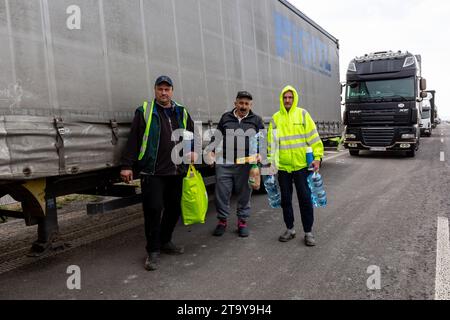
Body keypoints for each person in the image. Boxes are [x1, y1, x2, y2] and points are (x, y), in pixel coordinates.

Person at [120, 76, 198, 271]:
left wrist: (192, 150)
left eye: (167, 89)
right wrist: (127, 165)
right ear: (155, 90)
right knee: (153, 210)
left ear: (172, 91)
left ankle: (165, 240)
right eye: (160, 89)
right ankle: (153, 250)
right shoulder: (144, 111)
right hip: (152, 172)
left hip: (176, 170)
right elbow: (134, 140)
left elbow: (190, 134)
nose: (164, 92)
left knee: (174, 209)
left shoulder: (181, 111)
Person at [267, 86, 324, 247]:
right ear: (281, 99)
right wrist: (272, 163)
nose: (287, 100)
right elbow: (272, 145)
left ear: (295, 99)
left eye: (290, 97)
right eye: (285, 97)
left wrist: (318, 157)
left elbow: (314, 138)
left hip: (301, 166)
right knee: (286, 200)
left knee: (305, 199)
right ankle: (290, 229)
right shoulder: (275, 118)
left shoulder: (303, 115)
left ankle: (308, 232)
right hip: (284, 168)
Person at [210, 91, 265, 238]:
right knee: (221, 193)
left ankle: (242, 222)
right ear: (235, 103)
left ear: (250, 105)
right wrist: (211, 151)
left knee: (244, 193)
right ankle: (222, 221)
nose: (243, 106)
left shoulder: (256, 120)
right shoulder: (226, 117)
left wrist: (261, 153)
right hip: (225, 162)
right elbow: (217, 136)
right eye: (241, 103)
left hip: (245, 164)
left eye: (247, 104)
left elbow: (263, 141)